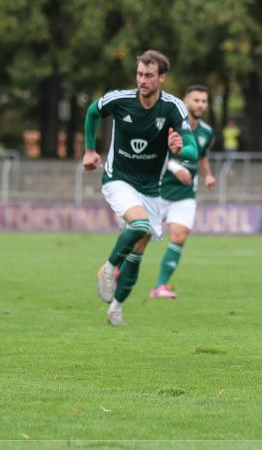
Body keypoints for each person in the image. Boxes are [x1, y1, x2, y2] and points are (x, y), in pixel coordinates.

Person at [82, 50, 198, 326]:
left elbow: (192, 148)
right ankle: (109, 269)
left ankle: (116, 308)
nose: (142, 80)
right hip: (118, 178)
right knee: (140, 226)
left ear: (161, 78)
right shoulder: (120, 100)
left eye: (148, 75)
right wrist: (89, 150)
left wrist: (182, 149)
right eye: (139, 74)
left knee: (138, 251)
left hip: (151, 189)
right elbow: (91, 112)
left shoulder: (173, 107)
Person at [151, 85, 217, 299]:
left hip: (185, 193)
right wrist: (175, 167)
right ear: (185, 101)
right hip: (158, 189)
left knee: (179, 236)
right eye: (196, 100)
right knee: (140, 236)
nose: (200, 105)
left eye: (204, 101)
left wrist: (207, 174)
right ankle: (116, 269)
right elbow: (155, 153)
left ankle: (159, 286)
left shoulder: (207, 132)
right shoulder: (170, 125)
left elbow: (202, 156)